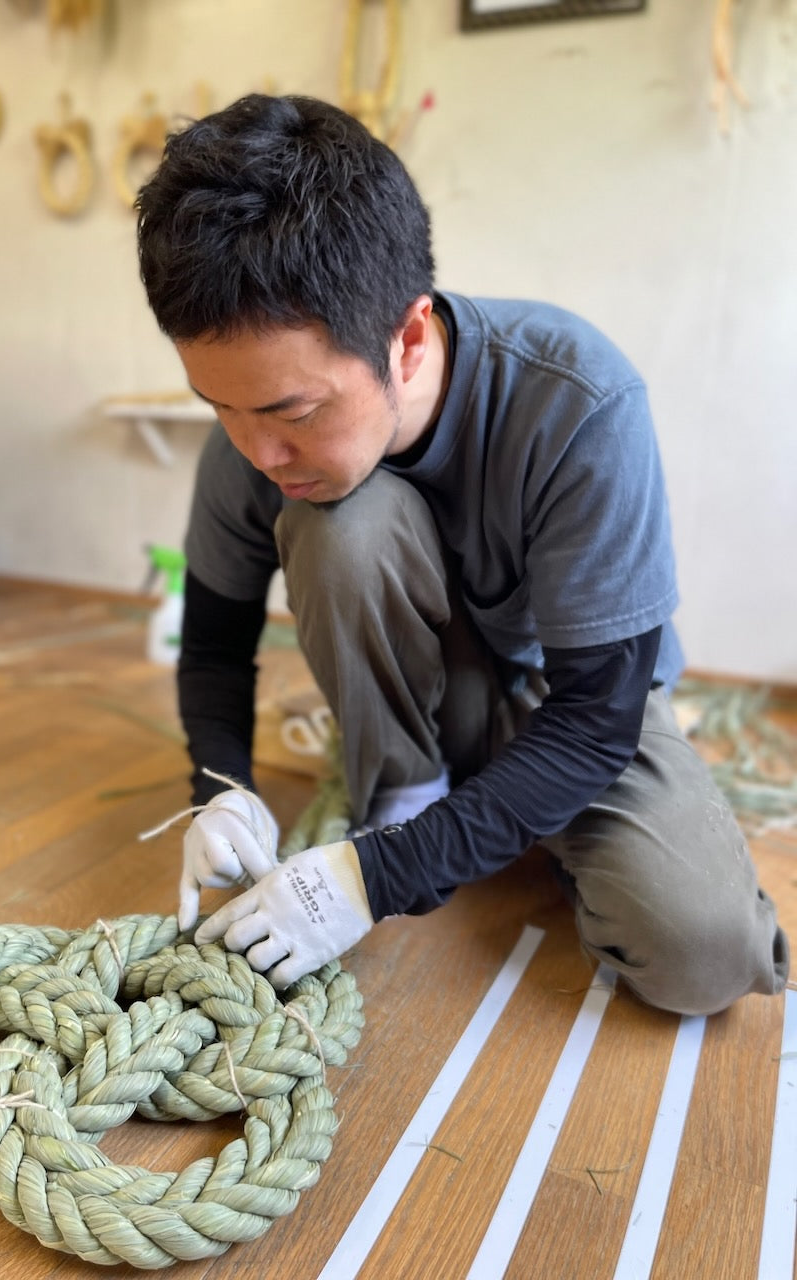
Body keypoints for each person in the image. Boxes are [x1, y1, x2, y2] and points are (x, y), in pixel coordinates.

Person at [135, 94, 789, 1015]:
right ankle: (408, 799)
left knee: (701, 955)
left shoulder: (579, 401)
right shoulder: (252, 435)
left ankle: (461, 826)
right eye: (218, 406)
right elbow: (211, 648)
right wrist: (221, 788)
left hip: (565, 707)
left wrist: (372, 881)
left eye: (293, 412)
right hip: (416, 709)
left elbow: (597, 721)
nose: (256, 452)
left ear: (405, 341)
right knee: (339, 523)